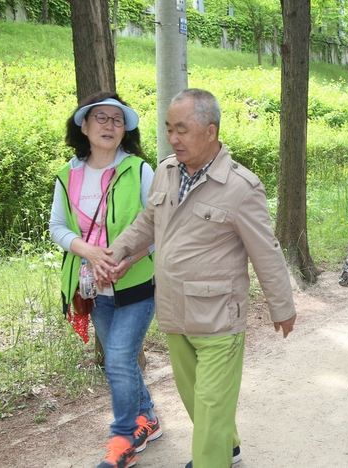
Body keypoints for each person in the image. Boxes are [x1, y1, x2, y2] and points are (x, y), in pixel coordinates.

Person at [107, 88, 297, 468]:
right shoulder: (166, 171)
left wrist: (282, 306)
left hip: (218, 316)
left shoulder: (241, 187)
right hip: (175, 311)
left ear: (210, 132)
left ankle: (213, 459)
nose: (173, 138)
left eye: (182, 129)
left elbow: (266, 251)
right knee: (195, 397)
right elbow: (149, 221)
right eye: (168, 129)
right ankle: (229, 445)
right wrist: (121, 250)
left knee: (210, 405)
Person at [49, 92, 161, 468]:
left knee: (116, 358)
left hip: (136, 284)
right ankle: (149, 417)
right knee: (120, 359)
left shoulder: (139, 170)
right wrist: (89, 252)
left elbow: (159, 226)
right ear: (83, 125)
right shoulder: (68, 175)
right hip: (92, 287)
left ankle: (123, 440)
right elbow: (58, 228)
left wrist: (131, 258)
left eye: (117, 119)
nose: (109, 125)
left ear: (125, 128)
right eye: (101, 118)